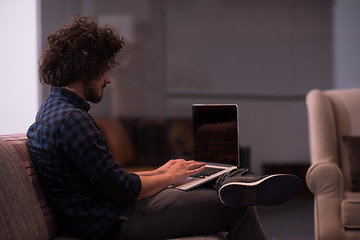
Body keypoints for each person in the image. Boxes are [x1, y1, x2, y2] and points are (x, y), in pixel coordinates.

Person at [27, 15, 301, 240]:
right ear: (85, 69)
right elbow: (122, 189)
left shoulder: (51, 112)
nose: (108, 80)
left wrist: (161, 171)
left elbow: (107, 178)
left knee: (193, 178)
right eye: (103, 70)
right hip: (116, 223)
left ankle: (235, 179)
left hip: (108, 213)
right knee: (236, 206)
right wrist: (168, 178)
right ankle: (241, 181)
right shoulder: (72, 120)